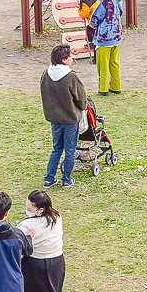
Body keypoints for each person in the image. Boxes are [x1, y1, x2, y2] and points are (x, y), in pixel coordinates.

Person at [18, 189, 76, 292]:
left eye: (30, 209)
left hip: (35, 264)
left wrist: (28, 237)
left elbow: (21, 247)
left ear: (40, 209)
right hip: (57, 262)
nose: (27, 211)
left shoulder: (27, 225)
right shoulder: (56, 216)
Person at [41, 44, 88, 188]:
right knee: (69, 150)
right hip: (70, 119)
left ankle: (49, 178)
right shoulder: (71, 76)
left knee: (56, 149)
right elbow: (81, 98)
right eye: (70, 56)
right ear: (63, 59)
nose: (72, 58)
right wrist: (82, 109)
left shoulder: (46, 74)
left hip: (54, 118)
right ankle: (66, 179)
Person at [90, 0, 124, 96]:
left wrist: (92, 24)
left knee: (102, 64)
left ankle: (103, 88)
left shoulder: (105, 0)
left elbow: (96, 16)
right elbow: (120, 13)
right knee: (114, 63)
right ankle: (116, 86)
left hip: (104, 37)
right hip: (116, 36)